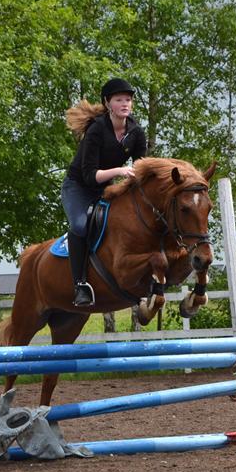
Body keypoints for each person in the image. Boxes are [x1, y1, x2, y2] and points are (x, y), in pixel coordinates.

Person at [62, 77, 148, 306]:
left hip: (105, 187)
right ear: (108, 103)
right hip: (78, 187)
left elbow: (141, 167)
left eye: (128, 100)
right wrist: (120, 170)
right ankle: (79, 284)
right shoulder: (97, 130)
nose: (125, 104)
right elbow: (90, 176)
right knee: (80, 225)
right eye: (119, 99)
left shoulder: (136, 131)